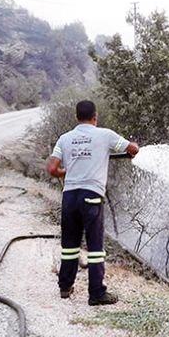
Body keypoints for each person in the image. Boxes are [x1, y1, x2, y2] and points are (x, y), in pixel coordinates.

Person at [46, 100, 139, 306]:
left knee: (70, 245)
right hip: (91, 195)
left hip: (70, 196)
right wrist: (135, 148)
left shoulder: (65, 138)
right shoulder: (105, 135)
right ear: (95, 117)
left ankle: (65, 286)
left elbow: (52, 169)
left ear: (76, 117)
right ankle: (97, 293)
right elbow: (132, 149)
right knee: (95, 247)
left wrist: (65, 171)